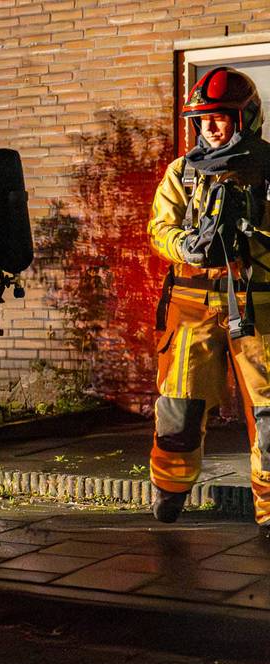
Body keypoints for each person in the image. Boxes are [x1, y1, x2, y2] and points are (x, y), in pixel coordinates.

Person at [147, 66, 270, 530]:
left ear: (247, 117)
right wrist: (186, 246)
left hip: (259, 309)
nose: (210, 127)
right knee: (178, 409)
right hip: (191, 308)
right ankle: (170, 490)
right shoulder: (182, 171)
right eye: (203, 119)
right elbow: (160, 227)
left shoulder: (268, 169)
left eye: (220, 117)